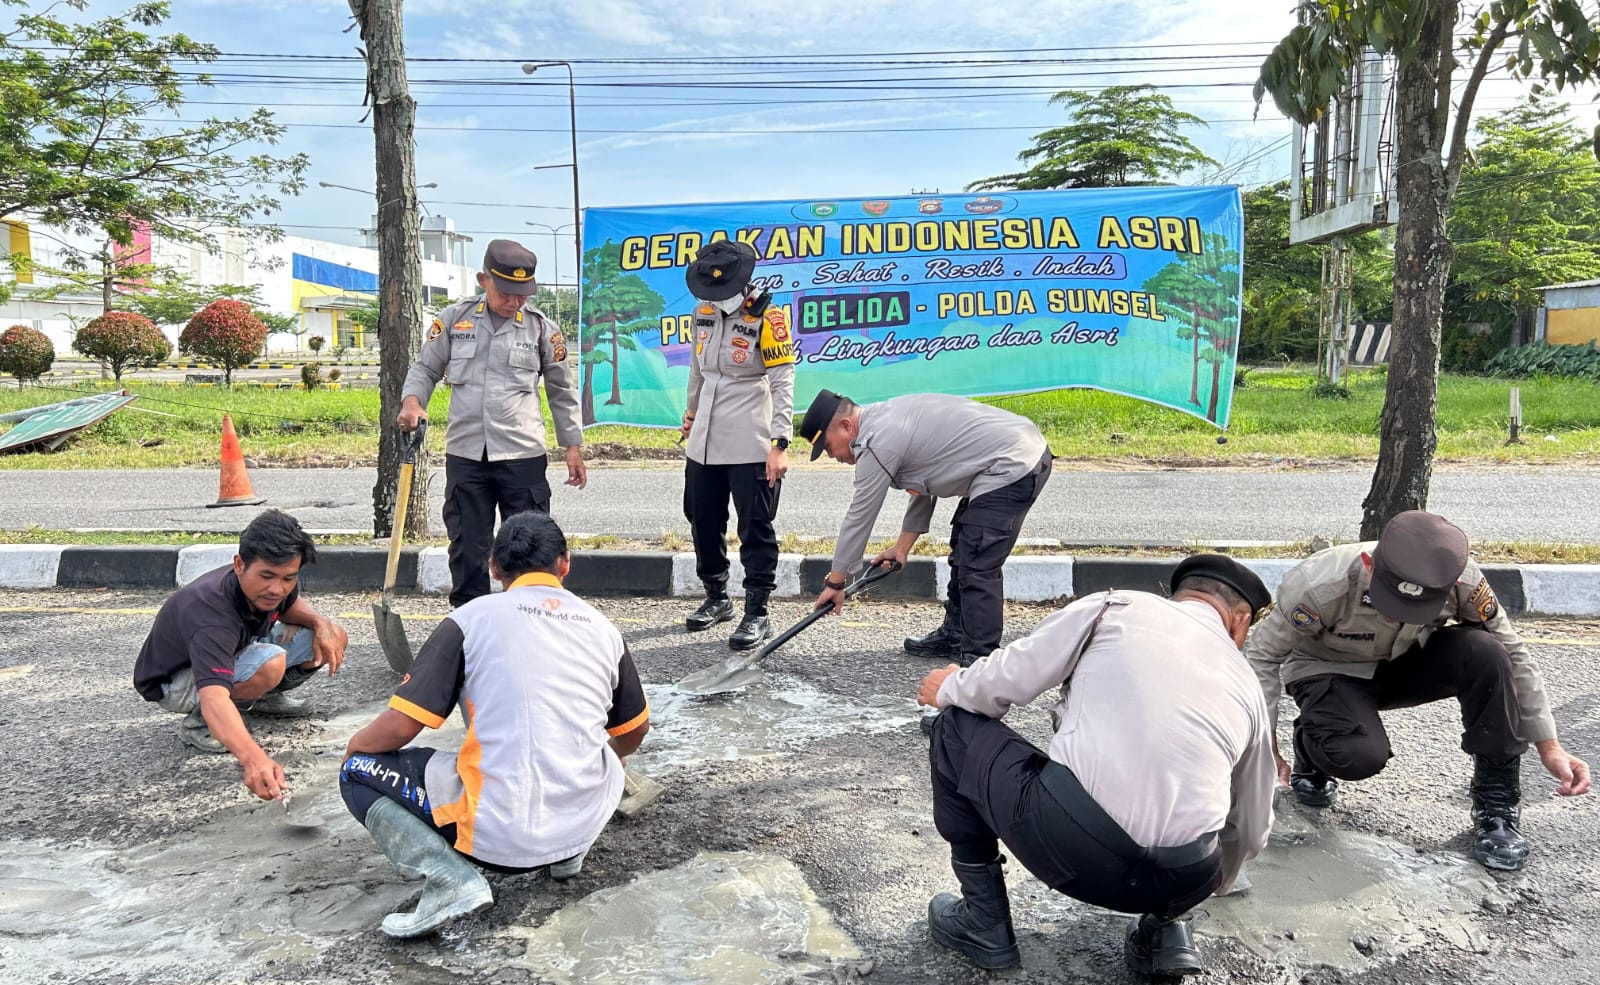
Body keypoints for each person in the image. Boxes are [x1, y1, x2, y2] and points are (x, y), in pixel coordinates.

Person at [916, 554, 1276, 977]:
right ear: (1239, 620)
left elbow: (1006, 680)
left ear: (1176, 596)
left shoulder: (1115, 608)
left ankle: (983, 921)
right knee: (1192, 799)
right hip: (1186, 878)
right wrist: (1196, 890)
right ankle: (1163, 933)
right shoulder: (1248, 686)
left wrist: (950, 688)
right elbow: (1250, 829)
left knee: (956, 725)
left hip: (1073, 854)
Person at [340, 511, 650, 938]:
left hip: (501, 839)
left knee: (357, 772)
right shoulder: (604, 629)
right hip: (583, 821)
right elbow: (633, 732)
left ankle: (451, 881)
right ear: (565, 563)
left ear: (495, 568)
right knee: (595, 755)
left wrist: (355, 746)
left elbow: (402, 727)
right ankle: (565, 856)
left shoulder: (471, 619)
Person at [1247, 509, 1590, 871]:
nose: (1397, 616)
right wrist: (1265, 749)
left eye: (1416, 606)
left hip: (1406, 661)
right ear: (1369, 565)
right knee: (1357, 756)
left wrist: (1549, 746)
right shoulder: (1319, 584)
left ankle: (1497, 805)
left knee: (1488, 653)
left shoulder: (1462, 580)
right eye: (1391, 601)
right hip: (1330, 669)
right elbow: (1262, 658)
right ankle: (1311, 745)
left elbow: (1516, 655)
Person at [398, 238, 587, 607]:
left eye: (523, 294)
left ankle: (528, 613)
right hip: (467, 453)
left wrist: (573, 446)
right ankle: (470, 622)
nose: (515, 301)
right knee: (468, 543)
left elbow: (562, 390)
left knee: (530, 545)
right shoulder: (455, 319)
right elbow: (426, 368)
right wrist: (411, 402)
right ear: (484, 279)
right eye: (507, 292)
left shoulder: (541, 328)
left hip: (522, 454)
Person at [800, 388, 1052, 664]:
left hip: (1011, 463)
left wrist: (836, 581)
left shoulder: (876, 442)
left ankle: (980, 662)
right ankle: (956, 635)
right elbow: (923, 481)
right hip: (1012, 454)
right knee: (965, 546)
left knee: (977, 563)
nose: (831, 456)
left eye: (827, 446)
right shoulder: (887, 419)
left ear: (846, 426)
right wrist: (902, 547)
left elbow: (860, 515)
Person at [132, 509, 349, 799]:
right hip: (175, 682)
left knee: (331, 635)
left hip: (235, 649)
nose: (277, 589)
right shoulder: (211, 615)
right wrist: (254, 760)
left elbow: (291, 606)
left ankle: (261, 698)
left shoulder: (271, 589)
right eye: (267, 576)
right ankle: (199, 723)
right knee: (270, 662)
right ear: (239, 565)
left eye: (288, 578)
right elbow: (214, 698)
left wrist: (321, 624)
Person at [678, 240, 795, 649]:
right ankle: (717, 597)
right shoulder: (702, 312)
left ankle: (757, 611)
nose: (711, 298)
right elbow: (697, 367)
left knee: (755, 526)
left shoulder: (768, 317)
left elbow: (782, 381)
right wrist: (691, 413)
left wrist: (779, 442)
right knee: (701, 518)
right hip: (705, 436)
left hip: (750, 436)